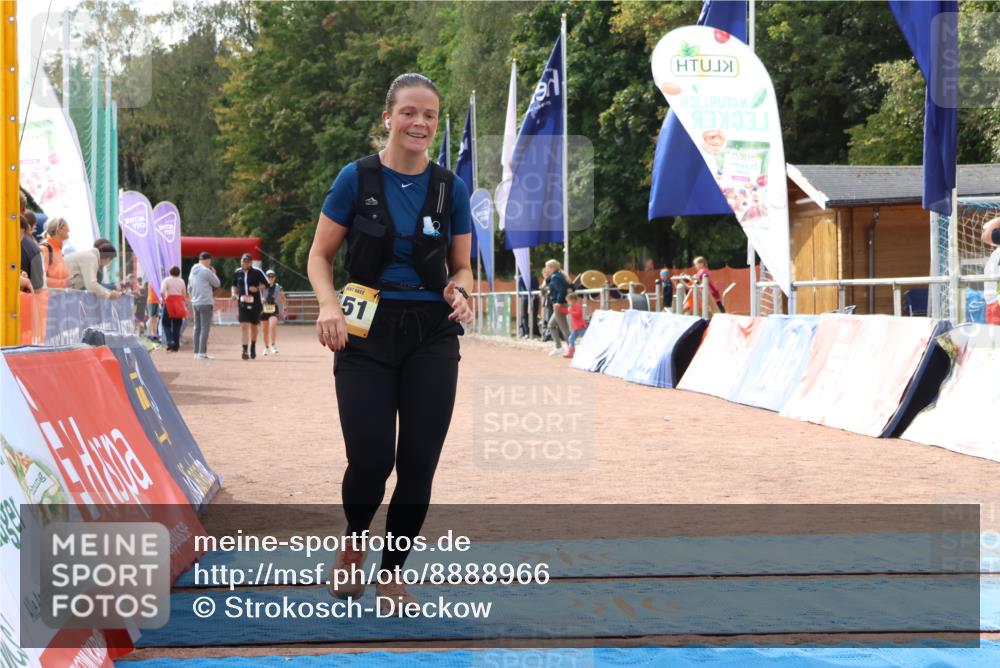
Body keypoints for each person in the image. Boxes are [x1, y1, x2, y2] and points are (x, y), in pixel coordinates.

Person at [307, 72, 473, 613]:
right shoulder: (355, 179)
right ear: (388, 118)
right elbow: (319, 257)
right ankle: (354, 538)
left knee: (419, 461)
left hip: (432, 332)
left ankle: (393, 570)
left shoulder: (451, 187)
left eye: (429, 114)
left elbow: (464, 266)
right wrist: (328, 305)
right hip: (365, 330)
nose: (419, 122)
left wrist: (463, 292)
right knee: (372, 459)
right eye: (408, 112)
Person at [232, 252, 268, 360]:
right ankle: (244, 350)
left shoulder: (257, 272)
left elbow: (267, 284)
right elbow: (234, 285)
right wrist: (233, 294)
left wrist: (257, 289)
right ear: (241, 261)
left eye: (247, 261)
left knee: (254, 327)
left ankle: (253, 345)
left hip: (255, 303)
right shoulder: (237, 272)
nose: (245, 263)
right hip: (242, 303)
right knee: (244, 326)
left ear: (251, 262)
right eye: (244, 261)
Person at [188, 251, 220, 360]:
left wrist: (193, 298)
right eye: (209, 260)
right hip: (205, 302)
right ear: (207, 260)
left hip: (195, 302)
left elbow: (189, 288)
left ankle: (196, 353)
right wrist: (214, 273)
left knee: (196, 327)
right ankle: (202, 353)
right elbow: (217, 283)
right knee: (205, 328)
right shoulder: (206, 271)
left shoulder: (192, 271)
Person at [543, 259, 570, 356]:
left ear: (552, 268)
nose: (546, 269)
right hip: (560, 303)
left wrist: (558, 302)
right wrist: (546, 279)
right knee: (551, 325)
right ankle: (559, 347)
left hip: (560, 304)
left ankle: (570, 349)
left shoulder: (556, 277)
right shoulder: (557, 276)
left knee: (564, 328)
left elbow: (562, 290)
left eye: (547, 267)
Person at [159, 266, 187, 352]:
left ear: (170, 272)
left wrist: (163, 299)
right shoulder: (181, 281)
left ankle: (170, 340)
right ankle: (176, 345)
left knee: (165, 323)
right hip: (178, 302)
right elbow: (184, 294)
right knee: (177, 325)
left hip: (169, 302)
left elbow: (162, 291)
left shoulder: (167, 280)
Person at [261, 269, 287, 355]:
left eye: (272, 276)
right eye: (269, 276)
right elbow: (256, 295)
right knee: (265, 331)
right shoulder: (261, 286)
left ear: (275, 278)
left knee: (272, 325)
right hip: (263, 309)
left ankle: (273, 345)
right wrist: (261, 299)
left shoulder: (278, 287)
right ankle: (266, 348)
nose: (270, 278)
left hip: (273, 308)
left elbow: (283, 298)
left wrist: (285, 308)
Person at [39, 217, 70, 288]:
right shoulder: (45, 249)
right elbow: (40, 279)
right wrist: (64, 283)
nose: (69, 230)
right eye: (66, 227)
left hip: (60, 296)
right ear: (59, 230)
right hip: (49, 297)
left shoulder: (58, 249)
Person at [554, 292, 587, 359]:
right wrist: (559, 308)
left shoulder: (578, 307)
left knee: (586, 338)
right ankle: (571, 352)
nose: (568, 303)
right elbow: (566, 311)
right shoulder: (570, 308)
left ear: (573, 300)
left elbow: (577, 314)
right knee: (571, 339)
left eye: (569, 301)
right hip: (575, 328)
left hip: (581, 327)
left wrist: (571, 310)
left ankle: (588, 351)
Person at [19, 215, 44, 291]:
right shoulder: (32, 246)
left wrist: (19, 274)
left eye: (22, 234)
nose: (21, 238)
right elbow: (38, 285)